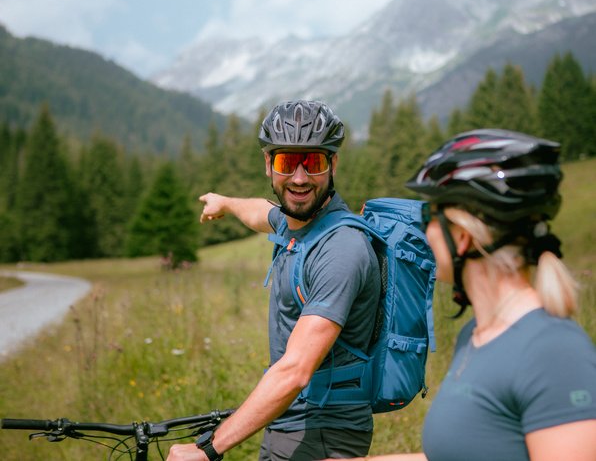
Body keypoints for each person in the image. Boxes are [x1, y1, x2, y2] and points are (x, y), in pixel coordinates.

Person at [337, 129, 596, 461]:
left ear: (461, 238)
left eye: (429, 216)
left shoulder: (553, 351)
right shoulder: (475, 337)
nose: (423, 230)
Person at [167, 100, 381, 461]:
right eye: (286, 162)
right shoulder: (298, 223)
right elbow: (260, 212)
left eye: (312, 162)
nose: (299, 178)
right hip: (293, 422)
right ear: (269, 165)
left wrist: (207, 449)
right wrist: (225, 203)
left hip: (321, 432)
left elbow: (295, 370)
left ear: (333, 164)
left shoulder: (340, 249)